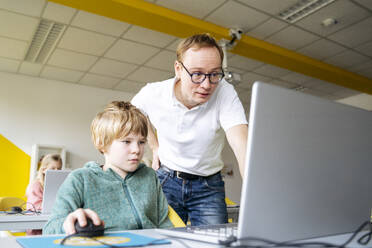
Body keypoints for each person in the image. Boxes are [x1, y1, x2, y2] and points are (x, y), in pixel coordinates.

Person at [131, 33, 248, 226]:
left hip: (209, 185)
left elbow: (241, 144)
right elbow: (135, 114)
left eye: (214, 74)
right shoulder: (154, 93)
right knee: (164, 240)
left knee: (213, 242)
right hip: (167, 178)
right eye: (197, 74)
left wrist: (254, 193)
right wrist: (155, 146)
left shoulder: (224, 92)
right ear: (178, 69)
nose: (206, 84)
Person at [43, 101, 172, 235]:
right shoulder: (80, 179)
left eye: (141, 142)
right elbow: (49, 229)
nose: (137, 150)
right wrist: (67, 223)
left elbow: (164, 223)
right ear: (102, 143)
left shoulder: (149, 176)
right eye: (126, 141)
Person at [25, 153, 62, 235]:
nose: (56, 171)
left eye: (59, 169)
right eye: (53, 168)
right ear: (44, 169)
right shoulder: (36, 185)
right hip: (37, 231)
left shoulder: (59, 186)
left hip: (52, 225)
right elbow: (35, 207)